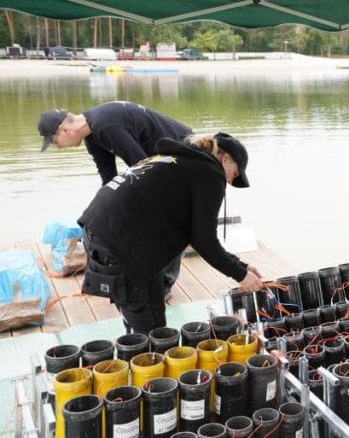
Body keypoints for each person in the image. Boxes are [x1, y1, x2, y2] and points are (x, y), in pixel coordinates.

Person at [77, 132, 263, 335]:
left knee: (144, 314)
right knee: (151, 331)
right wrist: (241, 275)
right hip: (119, 246)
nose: (228, 182)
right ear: (225, 159)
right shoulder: (210, 172)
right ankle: (142, 356)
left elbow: (195, 233)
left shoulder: (173, 159)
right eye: (234, 175)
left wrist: (242, 266)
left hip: (97, 231)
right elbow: (204, 241)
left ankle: (136, 345)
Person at [38, 101, 193, 299]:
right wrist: (98, 214)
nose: (57, 147)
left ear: (63, 129)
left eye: (53, 141)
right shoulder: (93, 137)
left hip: (184, 151)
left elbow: (144, 169)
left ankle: (163, 286)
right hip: (158, 161)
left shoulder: (105, 125)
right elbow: (109, 181)